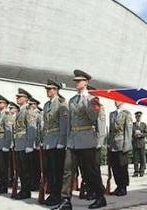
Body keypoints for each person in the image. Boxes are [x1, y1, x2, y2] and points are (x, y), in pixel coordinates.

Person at [52, 69, 106, 210]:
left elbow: (93, 118)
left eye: (79, 81)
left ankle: (100, 196)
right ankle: (66, 200)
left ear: (86, 82)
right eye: (76, 81)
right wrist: (65, 141)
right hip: (73, 140)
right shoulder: (72, 100)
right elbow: (69, 122)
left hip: (87, 139)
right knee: (67, 170)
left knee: (90, 172)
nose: (76, 83)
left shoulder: (92, 100)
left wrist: (87, 99)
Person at [42, 79, 69, 206]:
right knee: (49, 170)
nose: (48, 91)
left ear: (56, 90)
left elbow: (64, 124)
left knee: (57, 170)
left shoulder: (61, 103)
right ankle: (52, 193)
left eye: (50, 89)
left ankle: (57, 195)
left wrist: (62, 141)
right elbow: (45, 125)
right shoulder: (47, 105)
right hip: (48, 141)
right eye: (47, 89)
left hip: (57, 141)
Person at [107, 101, 133, 196]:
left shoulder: (126, 114)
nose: (116, 102)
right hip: (113, 144)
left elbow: (128, 131)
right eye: (115, 100)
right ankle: (118, 186)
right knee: (115, 167)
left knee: (122, 167)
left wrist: (126, 146)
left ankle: (123, 187)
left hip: (122, 143)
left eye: (118, 100)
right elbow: (110, 130)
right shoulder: (112, 114)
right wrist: (109, 143)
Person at [13, 88, 34, 199]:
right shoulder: (20, 111)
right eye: (17, 97)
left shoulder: (28, 111)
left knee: (26, 169)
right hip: (19, 144)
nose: (17, 98)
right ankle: (23, 190)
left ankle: (26, 191)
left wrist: (30, 144)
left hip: (25, 143)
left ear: (26, 99)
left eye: (20, 97)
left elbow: (31, 128)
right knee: (20, 169)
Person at [0, 95, 13, 194]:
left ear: (5, 104)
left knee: (3, 166)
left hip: (3, 144)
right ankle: (1, 184)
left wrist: (7, 144)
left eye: (0, 103)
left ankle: (3, 186)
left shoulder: (7, 115)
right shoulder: (0, 115)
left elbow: (8, 131)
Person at [28, 97, 43, 192]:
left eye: (31, 104)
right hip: (31, 143)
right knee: (31, 165)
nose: (29, 106)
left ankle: (36, 184)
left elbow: (40, 129)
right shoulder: (30, 115)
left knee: (37, 165)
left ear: (35, 105)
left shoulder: (38, 114)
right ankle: (32, 182)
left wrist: (40, 142)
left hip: (37, 143)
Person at [132, 111, 147, 177]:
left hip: (141, 143)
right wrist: (134, 135)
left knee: (142, 158)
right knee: (135, 159)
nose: (138, 118)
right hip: (135, 143)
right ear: (135, 117)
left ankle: (141, 171)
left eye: (139, 116)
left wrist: (141, 134)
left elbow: (146, 133)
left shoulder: (143, 124)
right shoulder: (133, 124)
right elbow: (130, 133)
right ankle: (136, 172)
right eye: (137, 116)